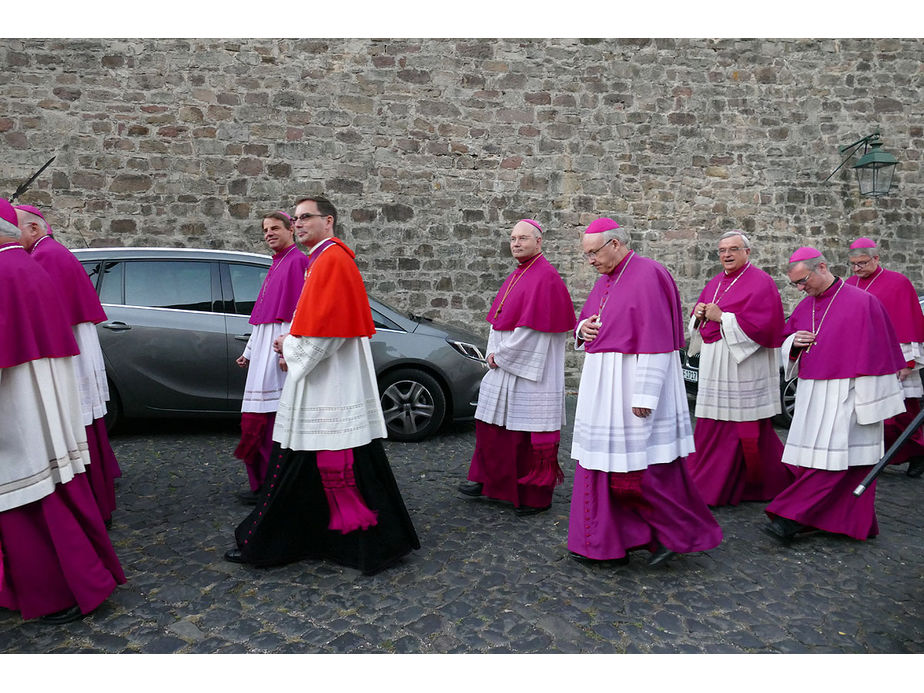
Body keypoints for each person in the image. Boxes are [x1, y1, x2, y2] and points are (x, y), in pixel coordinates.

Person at [224, 196, 419, 575]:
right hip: (328, 379)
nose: (298, 224)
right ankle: (323, 539)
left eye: (305, 217)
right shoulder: (322, 260)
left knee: (315, 457)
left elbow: (325, 334)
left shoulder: (330, 260)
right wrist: (291, 342)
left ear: (328, 221)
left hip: (327, 382)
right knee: (320, 460)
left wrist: (289, 346)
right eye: (295, 218)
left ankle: (279, 542)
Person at [568, 217, 722, 567]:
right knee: (606, 467)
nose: (590, 261)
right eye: (586, 255)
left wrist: (645, 396)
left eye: (593, 253)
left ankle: (671, 535)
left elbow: (657, 342)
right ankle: (613, 540)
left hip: (630, 387)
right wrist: (583, 329)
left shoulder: (649, 274)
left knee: (641, 470)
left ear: (616, 244)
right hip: (603, 390)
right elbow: (590, 321)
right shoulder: (605, 279)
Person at [0, 198, 125, 624]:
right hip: (40, 397)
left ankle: (63, 589)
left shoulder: (10, 270)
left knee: (31, 496)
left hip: (20, 405)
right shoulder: (27, 265)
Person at [764, 247, 905, 543]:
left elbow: (879, 354)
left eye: (803, 281)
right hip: (813, 394)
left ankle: (790, 516)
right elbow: (785, 342)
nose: (801, 289)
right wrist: (793, 343)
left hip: (851, 394)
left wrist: (871, 403)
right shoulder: (805, 307)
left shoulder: (863, 303)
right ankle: (850, 522)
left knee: (841, 462)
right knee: (831, 462)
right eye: (796, 285)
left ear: (822, 267)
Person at [457, 219, 576, 515]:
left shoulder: (545, 277)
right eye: (512, 238)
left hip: (530, 368)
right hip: (505, 361)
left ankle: (533, 495)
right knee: (490, 423)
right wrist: (494, 352)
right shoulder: (519, 274)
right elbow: (500, 321)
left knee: (525, 433)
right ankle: (489, 482)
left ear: (539, 241)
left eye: (523, 238)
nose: (516, 243)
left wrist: (503, 356)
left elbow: (534, 330)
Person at [15, 204, 122, 526]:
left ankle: (91, 504)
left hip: (69, 353)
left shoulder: (45, 256)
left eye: (14, 227)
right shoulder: (51, 252)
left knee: (77, 427)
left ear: (34, 229)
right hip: (76, 345)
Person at [684, 231, 794, 505]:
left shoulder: (761, 282)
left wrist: (723, 317)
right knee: (712, 425)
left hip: (743, 366)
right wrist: (698, 315)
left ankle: (730, 484)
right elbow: (703, 323)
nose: (726, 254)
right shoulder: (715, 282)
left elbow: (765, 326)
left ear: (748, 252)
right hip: (715, 363)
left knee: (743, 428)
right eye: (722, 250)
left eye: (733, 249)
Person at [233, 212, 309, 504]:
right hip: (264, 352)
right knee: (256, 421)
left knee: (269, 423)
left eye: (275, 228)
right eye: (265, 230)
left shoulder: (297, 262)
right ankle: (260, 483)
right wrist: (248, 353)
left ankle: (271, 485)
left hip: (279, 355)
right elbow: (263, 320)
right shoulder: (276, 264)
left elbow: (295, 315)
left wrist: (289, 351)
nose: (269, 233)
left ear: (291, 229)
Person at [844, 237, 924, 478]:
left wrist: (908, 363)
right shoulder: (850, 284)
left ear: (876, 258)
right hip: (861, 361)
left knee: (900, 415)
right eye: (854, 264)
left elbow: (908, 321)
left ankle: (918, 452)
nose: (857, 269)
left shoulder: (898, 283)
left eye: (862, 263)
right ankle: (873, 455)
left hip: (893, 361)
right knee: (869, 414)